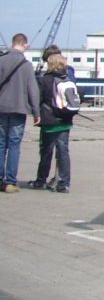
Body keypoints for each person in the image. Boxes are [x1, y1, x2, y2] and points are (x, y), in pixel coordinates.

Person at [0, 33, 41, 192]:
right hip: (19, 109)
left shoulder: (1, 60)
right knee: (14, 145)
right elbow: (33, 90)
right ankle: (10, 181)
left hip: (1, 108)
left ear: (13, 43)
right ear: (25, 44)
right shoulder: (26, 65)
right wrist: (36, 112)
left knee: (1, 144)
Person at [30, 53, 74, 192]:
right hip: (65, 120)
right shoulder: (68, 79)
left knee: (46, 152)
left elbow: (38, 99)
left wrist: (36, 115)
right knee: (63, 152)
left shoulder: (45, 80)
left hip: (49, 121)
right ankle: (64, 183)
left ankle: (41, 180)